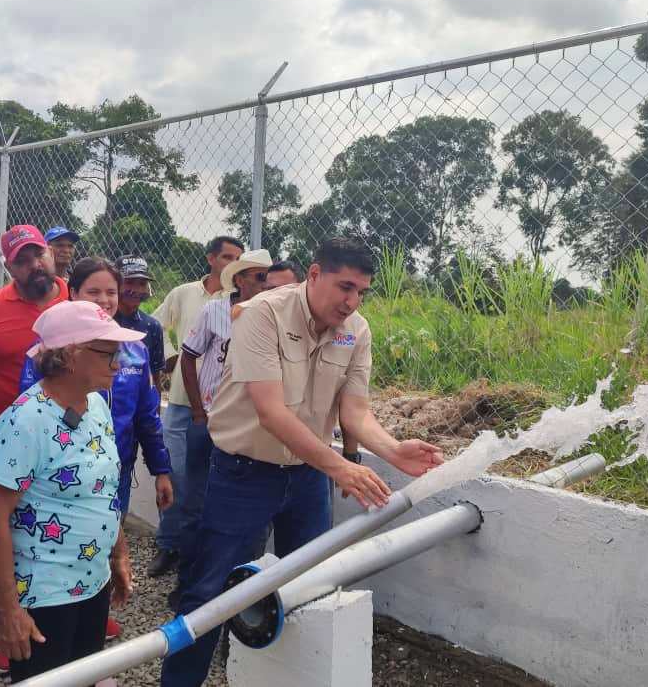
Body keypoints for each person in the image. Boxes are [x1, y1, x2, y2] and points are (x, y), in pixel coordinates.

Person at [159, 238, 445, 687]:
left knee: (309, 588)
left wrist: (392, 450)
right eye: (344, 287)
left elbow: (355, 411)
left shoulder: (357, 330)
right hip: (243, 474)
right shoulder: (263, 314)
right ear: (314, 274)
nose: (352, 302)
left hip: (309, 478)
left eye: (361, 292)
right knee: (210, 590)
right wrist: (340, 467)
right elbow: (271, 412)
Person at [0, 301, 139, 682]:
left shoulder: (97, 405)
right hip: (45, 595)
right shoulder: (26, 421)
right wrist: (8, 611)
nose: (118, 364)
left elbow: (103, 490)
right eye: (109, 353)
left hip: (93, 582)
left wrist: (117, 553)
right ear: (70, 356)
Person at [18, 256, 175, 640]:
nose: (105, 300)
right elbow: (32, 415)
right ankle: (23, 624)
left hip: (112, 471)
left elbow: (148, 417)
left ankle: (90, 618)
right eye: (94, 292)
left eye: (111, 292)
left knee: (102, 537)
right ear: (72, 293)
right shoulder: (48, 349)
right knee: (47, 546)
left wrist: (161, 470)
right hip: (55, 478)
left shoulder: (134, 351)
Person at [172, 249, 273, 607]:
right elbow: (188, 356)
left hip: (249, 427)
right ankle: (187, 584)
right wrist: (198, 411)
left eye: (269, 278)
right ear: (240, 279)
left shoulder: (273, 315)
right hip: (212, 420)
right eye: (259, 277)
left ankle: (235, 588)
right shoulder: (215, 311)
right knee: (195, 504)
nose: (266, 284)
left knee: (241, 510)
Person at [148, 236, 243, 577]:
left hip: (223, 406)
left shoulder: (242, 300)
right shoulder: (184, 293)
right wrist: (172, 356)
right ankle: (168, 544)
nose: (232, 264)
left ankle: (200, 553)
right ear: (210, 259)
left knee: (210, 484)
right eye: (227, 256)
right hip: (181, 402)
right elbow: (155, 325)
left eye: (238, 258)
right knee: (175, 475)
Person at [0, 225, 69, 446]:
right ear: (9, 268)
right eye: (22, 261)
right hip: (5, 441)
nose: (35, 265)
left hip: (68, 441)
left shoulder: (78, 302)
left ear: (51, 253)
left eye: (39, 254)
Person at [114, 255, 165, 390]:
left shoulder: (152, 327)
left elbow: (155, 378)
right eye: (129, 282)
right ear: (115, 284)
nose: (136, 290)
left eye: (142, 284)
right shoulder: (102, 322)